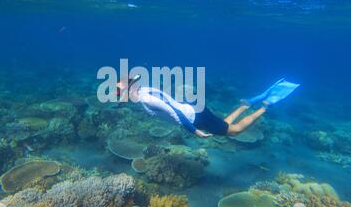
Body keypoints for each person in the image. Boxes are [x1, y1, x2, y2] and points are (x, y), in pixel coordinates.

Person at [116, 76, 299, 138]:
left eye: (121, 94)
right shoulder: (146, 89)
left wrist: (194, 131)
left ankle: (265, 106)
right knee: (224, 123)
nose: (122, 98)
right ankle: (247, 104)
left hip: (194, 118)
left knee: (233, 131)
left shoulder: (146, 99)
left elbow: (175, 112)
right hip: (196, 109)